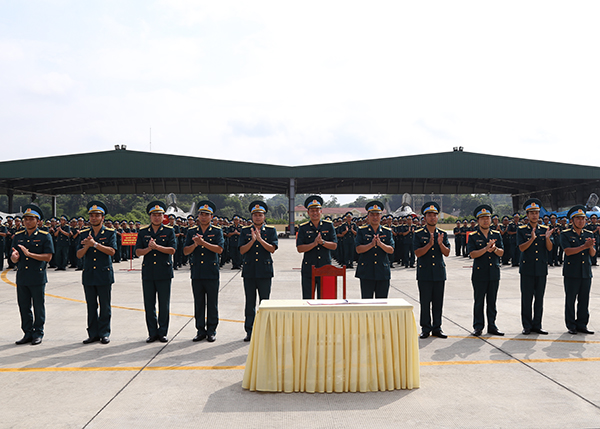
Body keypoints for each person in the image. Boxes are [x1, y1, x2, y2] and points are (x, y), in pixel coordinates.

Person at [11, 204, 54, 345]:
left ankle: (38, 333)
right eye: (25, 219)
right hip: (22, 276)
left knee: (38, 306)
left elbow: (48, 257)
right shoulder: (18, 236)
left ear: (38, 221)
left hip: (37, 276)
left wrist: (29, 254)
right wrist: (14, 258)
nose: (27, 221)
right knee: (23, 306)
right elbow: (13, 257)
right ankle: (27, 332)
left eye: (31, 219)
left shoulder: (44, 236)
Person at [76, 201, 117, 344]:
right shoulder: (82, 234)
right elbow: (79, 255)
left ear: (102, 218)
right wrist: (87, 246)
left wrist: (94, 244)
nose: (94, 218)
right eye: (92, 216)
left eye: (97, 215)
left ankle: (104, 332)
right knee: (91, 306)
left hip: (104, 274)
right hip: (89, 274)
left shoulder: (110, 233)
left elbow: (112, 251)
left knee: (105, 306)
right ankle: (93, 333)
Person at [135, 201, 177, 343]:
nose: (157, 217)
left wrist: (157, 247)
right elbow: (138, 252)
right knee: (149, 304)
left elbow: (172, 250)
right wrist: (149, 249)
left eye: (159, 215)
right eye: (154, 215)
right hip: (148, 272)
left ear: (163, 216)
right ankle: (152, 333)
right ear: (150, 216)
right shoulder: (142, 232)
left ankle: (163, 332)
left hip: (164, 272)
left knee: (164, 304)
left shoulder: (169, 231)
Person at [184, 200, 224, 342]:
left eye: (207, 214)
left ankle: (211, 330)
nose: (204, 217)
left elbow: (219, 250)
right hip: (197, 272)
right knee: (199, 302)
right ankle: (200, 330)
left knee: (212, 303)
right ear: (198, 216)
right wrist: (195, 244)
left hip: (211, 272)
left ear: (211, 217)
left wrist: (204, 243)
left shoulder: (217, 231)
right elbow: (185, 251)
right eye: (201, 214)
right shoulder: (191, 232)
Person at [239, 201, 278, 341]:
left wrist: (260, 240)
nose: (257, 217)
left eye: (260, 215)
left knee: (265, 302)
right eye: (255, 215)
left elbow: (272, 249)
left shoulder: (271, 230)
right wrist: (252, 240)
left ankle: (265, 330)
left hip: (265, 271)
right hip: (249, 271)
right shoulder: (244, 231)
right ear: (251, 216)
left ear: (264, 217)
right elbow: (242, 250)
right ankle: (250, 331)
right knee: (250, 303)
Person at [414, 202, 450, 339]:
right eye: (429, 215)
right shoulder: (418, 234)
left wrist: (440, 244)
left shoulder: (443, 234)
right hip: (424, 273)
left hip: (439, 273)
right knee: (425, 302)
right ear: (425, 218)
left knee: (438, 302)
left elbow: (446, 253)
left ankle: (437, 327)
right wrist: (429, 244)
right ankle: (425, 328)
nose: (432, 218)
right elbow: (418, 253)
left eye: (434, 215)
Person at [467, 205, 505, 336]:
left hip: (493, 272)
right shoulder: (473, 236)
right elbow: (472, 254)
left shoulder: (496, 235)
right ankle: (478, 326)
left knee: (492, 301)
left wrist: (494, 249)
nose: (485, 221)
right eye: (482, 218)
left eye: (487, 218)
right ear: (478, 220)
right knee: (479, 301)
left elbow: (501, 252)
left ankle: (492, 326)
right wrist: (485, 248)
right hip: (479, 273)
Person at [517, 198, 552, 335]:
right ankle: (527, 325)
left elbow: (549, 248)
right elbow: (521, 248)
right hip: (527, 269)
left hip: (541, 269)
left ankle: (537, 324)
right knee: (527, 298)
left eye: (536, 213)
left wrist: (548, 238)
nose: (534, 215)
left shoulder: (545, 229)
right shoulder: (521, 230)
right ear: (527, 215)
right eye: (531, 213)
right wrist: (531, 239)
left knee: (539, 298)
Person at [561, 205, 595, 335]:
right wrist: (584, 246)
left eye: (583, 219)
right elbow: (568, 251)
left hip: (585, 271)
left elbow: (592, 254)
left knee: (584, 299)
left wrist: (590, 247)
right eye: (578, 219)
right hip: (572, 272)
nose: (581, 221)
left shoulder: (589, 234)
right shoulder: (566, 234)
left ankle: (582, 324)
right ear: (572, 221)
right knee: (571, 299)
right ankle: (571, 325)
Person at [296, 196, 338, 299]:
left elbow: (334, 246)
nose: (315, 213)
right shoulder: (303, 227)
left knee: (325, 299)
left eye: (317, 210)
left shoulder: (328, 226)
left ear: (321, 211)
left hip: (325, 267)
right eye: (312, 211)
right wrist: (314, 244)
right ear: (308, 213)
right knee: (308, 299)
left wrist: (322, 242)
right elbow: (300, 248)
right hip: (309, 268)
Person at [355, 201, 395, 298]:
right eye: (372, 215)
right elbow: (358, 249)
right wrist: (371, 244)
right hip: (366, 272)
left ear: (381, 216)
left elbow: (391, 250)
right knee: (367, 303)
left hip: (382, 272)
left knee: (382, 303)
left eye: (377, 215)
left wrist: (380, 244)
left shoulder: (387, 231)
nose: (375, 217)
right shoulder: (361, 230)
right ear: (368, 216)